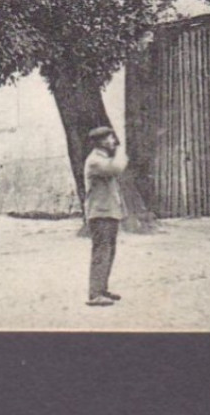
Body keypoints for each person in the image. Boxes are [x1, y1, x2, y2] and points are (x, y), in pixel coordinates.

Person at [83, 125, 125, 307]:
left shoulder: (104, 159)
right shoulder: (95, 161)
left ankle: (102, 289)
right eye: (109, 139)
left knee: (109, 251)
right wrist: (121, 151)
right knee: (101, 252)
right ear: (100, 143)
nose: (113, 141)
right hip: (99, 214)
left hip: (108, 212)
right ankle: (95, 294)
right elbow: (117, 168)